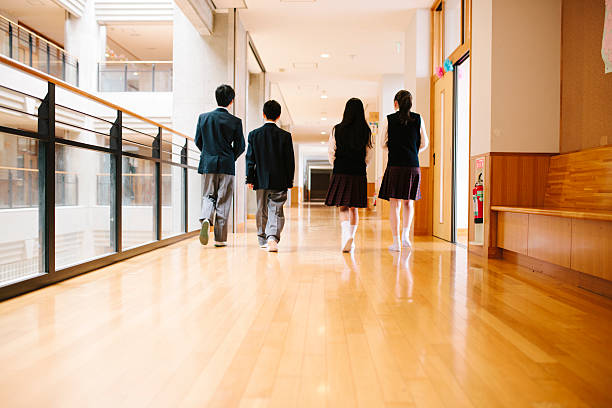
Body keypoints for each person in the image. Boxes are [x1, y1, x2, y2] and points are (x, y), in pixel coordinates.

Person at [195, 84, 245, 247]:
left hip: (208, 163)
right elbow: (241, 146)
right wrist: (231, 156)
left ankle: (206, 218)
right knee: (223, 200)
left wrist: (208, 152)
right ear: (231, 101)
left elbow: (198, 140)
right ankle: (220, 239)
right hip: (226, 164)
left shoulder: (203, 118)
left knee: (209, 195)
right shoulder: (235, 121)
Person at [378, 90, 429, 252]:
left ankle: (396, 241)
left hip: (395, 165)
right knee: (409, 202)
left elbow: (382, 143)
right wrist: (413, 151)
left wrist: (394, 149)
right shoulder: (418, 119)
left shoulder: (389, 120)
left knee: (395, 204)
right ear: (410, 103)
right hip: (412, 165)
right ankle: (406, 236)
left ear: (396, 103)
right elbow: (424, 143)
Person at [246, 100, 295, 252]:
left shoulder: (254, 135)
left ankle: (262, 239)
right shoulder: (285, 136)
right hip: (280, 180)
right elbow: (290, 161)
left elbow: (250, 159)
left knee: (261, 209)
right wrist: (289, 180)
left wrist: (250, 178)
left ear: (263, 114)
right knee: (276, 210)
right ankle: (272, 237)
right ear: (278, 116)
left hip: (260, 179)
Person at [325, 98, 373, 252]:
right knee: (354, 208)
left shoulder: (337, 129)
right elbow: (369, 154)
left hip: (341, 171)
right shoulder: (366, 131)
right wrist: (362, 165)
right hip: (358, 172)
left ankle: (346, 236)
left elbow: (331, 151)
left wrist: (336, 165)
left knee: (343, 207)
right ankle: (351, 238)